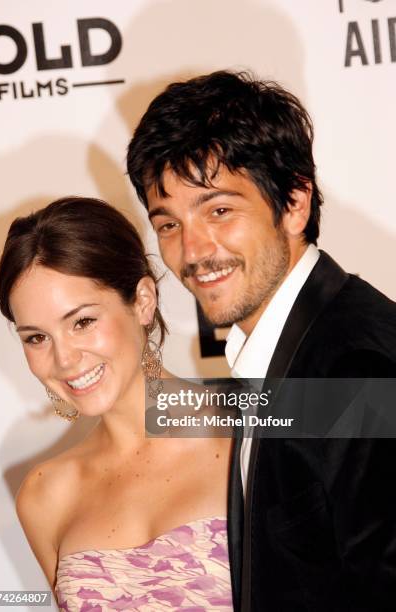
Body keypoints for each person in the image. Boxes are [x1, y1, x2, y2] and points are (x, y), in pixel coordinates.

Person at [127, 70, 396, 611]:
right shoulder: (289, 350)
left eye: (219, 210)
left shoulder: (355, 368)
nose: (194, 251)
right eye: (169, 224)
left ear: (294, 203)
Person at [0, 197, 233, 611]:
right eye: (36, 337)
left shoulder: (254, 425)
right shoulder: (44, 495)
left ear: (142, 300)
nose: (64, 359)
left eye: (82, 322)